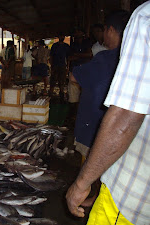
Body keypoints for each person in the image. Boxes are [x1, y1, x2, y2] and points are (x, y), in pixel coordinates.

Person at [66, 2, 150, 225]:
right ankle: (94, 194)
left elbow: (125, 116)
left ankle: (90, 192)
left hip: (132, 197)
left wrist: (80, 184)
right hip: (134, 152)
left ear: (111, 30)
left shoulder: (144, 18)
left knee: (92, 165)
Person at [70, 10, 130, 206]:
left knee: (93, 165)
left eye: (105, 30)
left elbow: (74, 77)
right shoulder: (134, 58)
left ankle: (92, 196)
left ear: (111, 30)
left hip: (97, 126)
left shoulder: (105, 58)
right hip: (125, 129)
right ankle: (99, 197)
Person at [49, 33, 70, 99]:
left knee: (62, 81)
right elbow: (51, 56)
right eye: (61, 36)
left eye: (63, 36)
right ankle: (50, 94)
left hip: (62, 65)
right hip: (55, 65)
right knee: (53, 81)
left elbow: (68, 57)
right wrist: (51, 66)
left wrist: (67, 67)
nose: (62, 37)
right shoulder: (54, 45)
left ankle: (61, 94)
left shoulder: (66, 46)